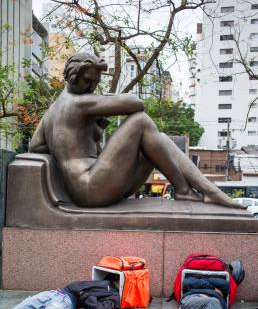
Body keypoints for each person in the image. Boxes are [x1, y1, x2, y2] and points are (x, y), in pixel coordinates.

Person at [29, 52, 244, 210]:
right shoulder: (77, 103)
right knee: (141, 121)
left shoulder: (52, 110)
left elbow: (35, 146)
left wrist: (70, 148)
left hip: (92, 187)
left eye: (95, 83)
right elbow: (136, 104)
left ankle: (207, 191)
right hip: (91, 187)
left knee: (158, 140)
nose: (92, 88)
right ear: (72, 76)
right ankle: (185, 190)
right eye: (88, 81)